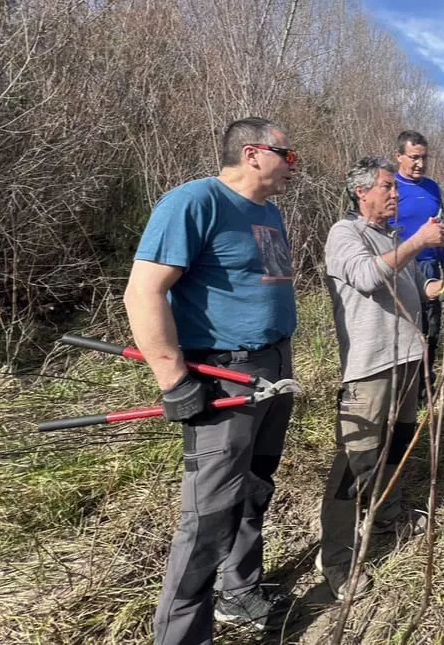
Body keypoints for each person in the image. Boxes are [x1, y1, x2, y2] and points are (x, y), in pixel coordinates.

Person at [123, 117, 299, 643]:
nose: (294, 167)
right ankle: (179, 636)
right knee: (208, 518)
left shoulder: (269, 212)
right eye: (288, 156)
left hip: (274, 365)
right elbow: (143, 291)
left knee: (255, 487)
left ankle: (239, 593)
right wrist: (174, 380)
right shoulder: (193, 202)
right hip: (224, 374)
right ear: (252, 153)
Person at [318, 156, 444, 599]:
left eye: (395, 187)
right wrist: (418, 241)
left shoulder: (391, 237)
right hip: (369, 367)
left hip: (407, 359)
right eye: (387, 187)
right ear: (362, 192)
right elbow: (368, 277)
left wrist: (435, 288)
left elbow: (409, 286)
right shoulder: (345, 233)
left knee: (397, 445)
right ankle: (337, 560)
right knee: (355, 462)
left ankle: (389, 514)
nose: (395, 194)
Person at [389, 130, 444, 399]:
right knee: (405, 331)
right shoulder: (390, 188)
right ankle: (402, 393)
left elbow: (440, 229)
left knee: (431, 331)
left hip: (430, 268)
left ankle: (425, 391)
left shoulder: (433, 188)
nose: (420, 164)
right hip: (401, 268)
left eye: (424, 158)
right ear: (399, 156)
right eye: (414, 157)